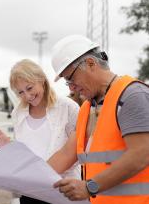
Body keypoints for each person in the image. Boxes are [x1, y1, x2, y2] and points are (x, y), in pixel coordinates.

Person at [48, 35, 149, 204]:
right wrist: (27, 177)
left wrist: (89, 187)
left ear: (90, 63)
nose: (71, 89)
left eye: (71, 79)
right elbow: (67, 154)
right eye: (67, 83)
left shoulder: (132, 95)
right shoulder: (87, 109)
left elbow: (141, 154)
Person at [0, 59, 81, 204]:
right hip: (32, 192)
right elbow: (25, 155)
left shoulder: (68, 108)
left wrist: (43, 174)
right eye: (21, 92)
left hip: (63, 192)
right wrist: (8, 145)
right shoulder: (18, 113)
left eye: (29, 88)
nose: (27, 96)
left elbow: (76, 151)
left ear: (42, 80)